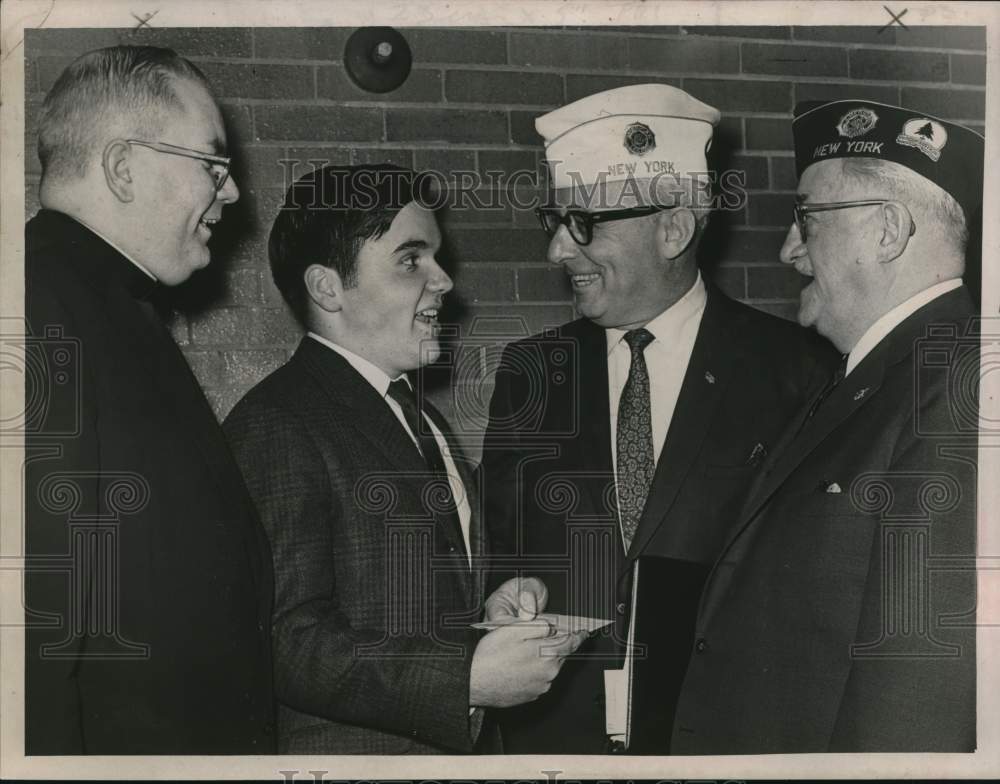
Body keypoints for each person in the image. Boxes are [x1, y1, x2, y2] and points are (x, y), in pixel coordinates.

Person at [479, 83, 835, 753]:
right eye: (554, 221)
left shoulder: (796, 370)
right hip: (561, 746)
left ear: (673, 227)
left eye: (583, 223)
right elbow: (506, 543)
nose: (558, 249)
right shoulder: (530, 373)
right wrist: (505, 590)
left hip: (722, 743)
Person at [223, 163, 585, 754]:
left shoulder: (422, 419)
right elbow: (286, 639)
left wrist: (485, 614)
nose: (443, 281)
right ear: (327, 287)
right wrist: (467, 676)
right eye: (410, 260)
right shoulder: (277, 425)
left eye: (436, 258)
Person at [671, 99, 982, 753]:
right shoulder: (870, 378)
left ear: (888, 232)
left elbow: (919, 691)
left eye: (807, 219)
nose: (789, 251)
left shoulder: (959, 388)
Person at [24, 46, 274, 753]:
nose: (231, 195)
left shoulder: (106, 304)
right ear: (123, 167)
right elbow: (31, 638)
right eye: (212, 166)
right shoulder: (35, 309)